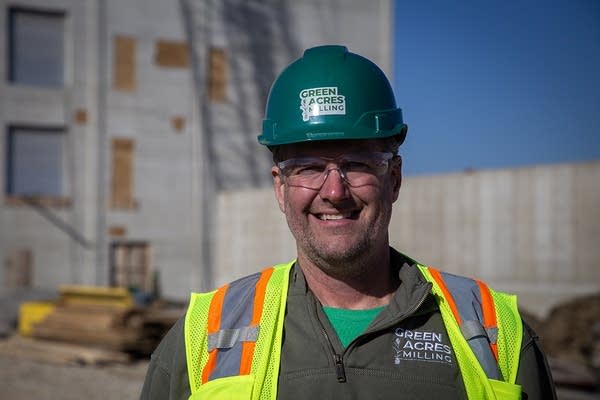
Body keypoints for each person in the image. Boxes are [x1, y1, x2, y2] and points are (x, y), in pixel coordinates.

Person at [140, 45, 556, 400]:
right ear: (280, 188)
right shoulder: (205, 334)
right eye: (307, 168)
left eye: (356, 164)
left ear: (393, 179)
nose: (334, 192)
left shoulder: (494, 332)